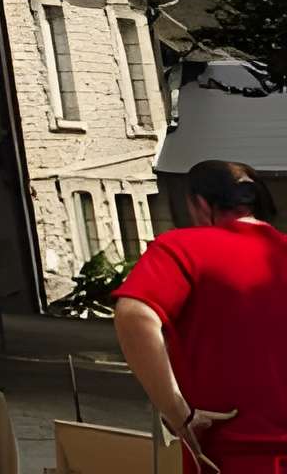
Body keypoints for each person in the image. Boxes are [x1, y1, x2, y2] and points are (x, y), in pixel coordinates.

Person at [115, 159, 285, 474]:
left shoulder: (183, 247)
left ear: (200, 204)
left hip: (231, 458)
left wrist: (178, 413)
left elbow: (134, 315)